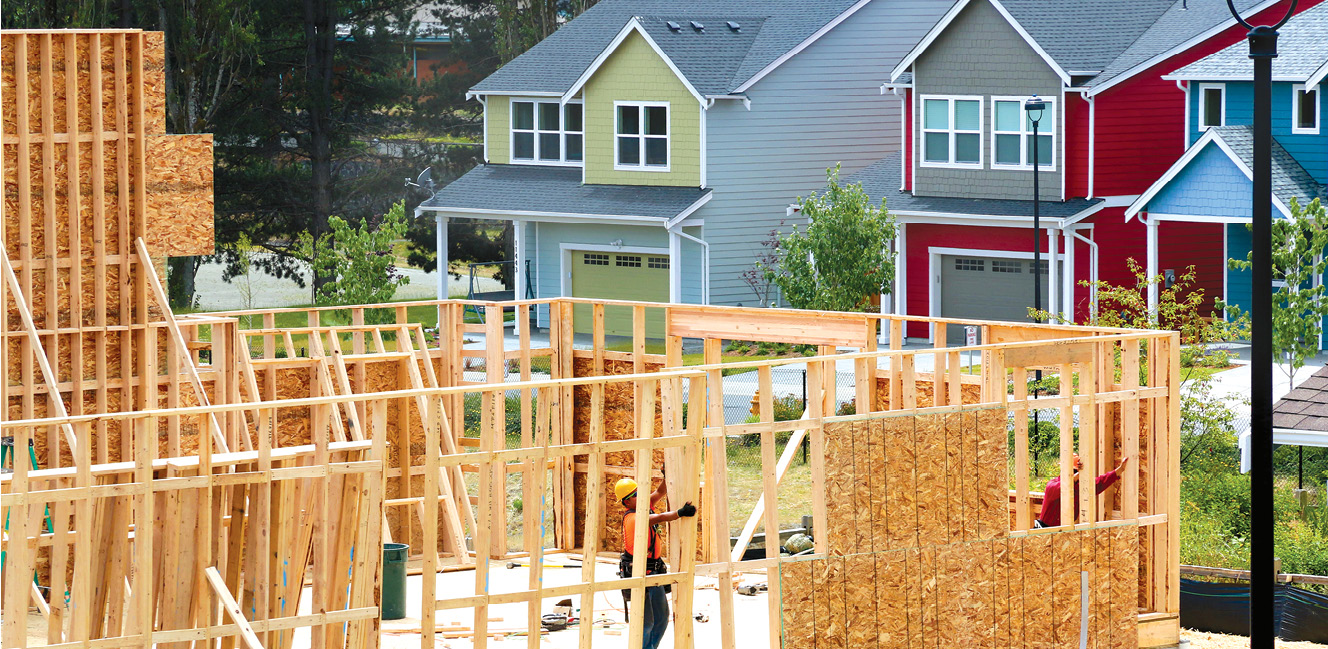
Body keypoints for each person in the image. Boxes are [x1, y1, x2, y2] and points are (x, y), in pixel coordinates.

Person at [614, 476, 696, 649]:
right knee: (647, 622)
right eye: (635, 495)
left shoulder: (644, 505)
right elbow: (658, 518)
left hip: (654, 571)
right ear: (626, 503)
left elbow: (660, 491)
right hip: (639, 573)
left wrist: (667, 476)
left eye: (639, 492)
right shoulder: (633, 518)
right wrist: (680, 513)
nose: (640, 496)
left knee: (661, 619)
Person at [1036, 453, 1129, 528]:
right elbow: (1064, 488)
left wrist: (1120, 470)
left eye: (1075, 472)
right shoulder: (1052, 485)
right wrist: (1079, 474)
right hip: (1044, 530)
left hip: (1064, 531)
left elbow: (1100, 482)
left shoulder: (1081, 487)